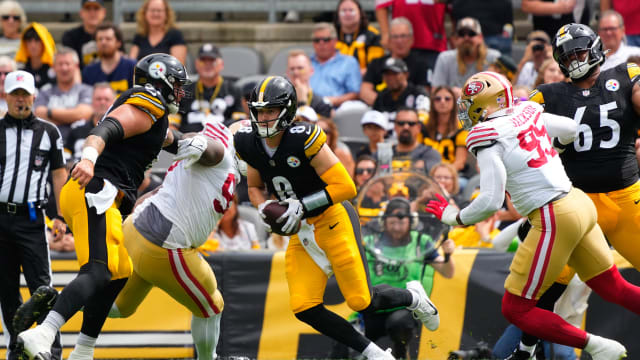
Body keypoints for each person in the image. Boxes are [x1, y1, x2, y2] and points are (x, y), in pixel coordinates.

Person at [426, 70, 640, 360]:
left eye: (471, 102)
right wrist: (554, 150)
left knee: (515, 309)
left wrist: (453, 215)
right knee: (613, 286)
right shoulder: (527, 111)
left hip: (553, 215)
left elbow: (490, 199)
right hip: (578, 200)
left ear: (487, 104)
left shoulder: (485, 135)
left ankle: (597, 346)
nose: (466, 110)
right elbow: (568, 128)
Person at [235, 75, 440, 360]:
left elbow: (346, 187)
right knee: (304, 305)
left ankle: (413, 297)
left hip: (332, 218)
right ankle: (375, 354)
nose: (264, 117)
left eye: (270, 110)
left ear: (287, 111)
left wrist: (302, 205)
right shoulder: (248, 142)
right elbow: (255, 187)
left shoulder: (303, 137)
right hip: (302, 231)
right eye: (259, 111)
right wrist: (261, 207)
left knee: (361, 300)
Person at [14, 53, 192, 360]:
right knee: (99, 271)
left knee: (120, 272)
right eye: (176, 84)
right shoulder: (149, 102)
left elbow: (178, 142)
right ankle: (42, 331)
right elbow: (107, 128)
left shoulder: (154, 120)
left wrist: (225, 142)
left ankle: (83, 351)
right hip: (96, 188)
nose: (180, 91)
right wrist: (88, 158)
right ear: (161, 82)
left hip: (97, 193)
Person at [106, 119, 240, 360]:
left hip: (136, 227)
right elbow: (207, 147)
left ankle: (59, 303)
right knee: (211, 307)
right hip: (164, 244)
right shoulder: (222, 154)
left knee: (118, 307)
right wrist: (178, 139)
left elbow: (153, 194)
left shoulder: (207, 164)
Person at [0, 70, 67, 360]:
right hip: (0, 220)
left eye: (25, 94)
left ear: (34, 96)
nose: (20, 100)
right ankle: (18, 350)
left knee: (43, 287)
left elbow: (59, 176)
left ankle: (50, 350)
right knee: (7, 290)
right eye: (15, 94)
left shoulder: (49, 132)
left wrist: (61, 216)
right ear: (5, 96)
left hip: (31, 219)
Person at [362, 197, 454, 359]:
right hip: (371, 307)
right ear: (384, 222)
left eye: (401, 223)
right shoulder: (369, 241)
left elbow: (447, 272)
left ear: (411, 222)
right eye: (392, 223)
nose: (397, 228)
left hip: (404, 308)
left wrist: (448, 254)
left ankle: (402, 356)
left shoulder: (420, 242)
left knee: (400, 324)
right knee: (345, 343)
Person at [173, 43, 245, 131]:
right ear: (196, 64)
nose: (207, 64)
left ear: (221, 64)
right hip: (188, 139)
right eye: (203, 60)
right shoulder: (184, 90)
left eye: (212, 60)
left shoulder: (234, 90)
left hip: (222, 140)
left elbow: (239, 124)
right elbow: (172, 124)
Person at [361, 17, 429, 106]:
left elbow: (424, 93)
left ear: (412, 39)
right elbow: (365, 91)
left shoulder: (421, 65)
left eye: (403, 36)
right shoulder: (376, 63)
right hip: (381, 111)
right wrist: (384, 105)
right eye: (395, 37)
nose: (399, 41)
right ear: (388, 40)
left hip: (410, 111)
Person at [34, 47, 93, 140]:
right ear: (53, 67)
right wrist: (71, 117)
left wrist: (49, 113)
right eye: (60, 64)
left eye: (67, 64)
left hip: (78, 143)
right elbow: (38, 114)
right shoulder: (45, 91)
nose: (64, 68)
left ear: (76, 66)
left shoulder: (86, 90)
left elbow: (83, 114)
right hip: (49, 141)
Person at [374, 0, 446, 75]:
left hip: (434, 43)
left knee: (434, 82)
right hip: (402, 44)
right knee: (400, 78)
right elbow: (381, 5)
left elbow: (455, 7)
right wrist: (385, 33)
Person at [431, 17, 501, 90]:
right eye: (462, 34)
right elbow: (436, 91)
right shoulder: (445, 58)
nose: (466, 38)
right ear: (456, 38)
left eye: (471, 34)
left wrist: (461, 93)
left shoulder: (493, 57)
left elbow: (501, 91)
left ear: (480, 37)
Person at [309, 22, 361, 109]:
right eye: (317, 40)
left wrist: (329, 101)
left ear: (335, 41)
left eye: (326, 40)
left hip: (337, 111)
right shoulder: (305, 63)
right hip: (307, 110)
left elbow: (355, 93)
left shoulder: (349, 62)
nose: (321, 43)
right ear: (313, 43)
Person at [64, 83, 116, 163]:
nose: (102, 102)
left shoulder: (120, 131)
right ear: (91, 101)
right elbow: (65, 156)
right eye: (98, 99)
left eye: (107, 99)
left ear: (114, 103)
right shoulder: (77, 128)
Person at [422, 86, 468, 173]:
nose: (442, 102)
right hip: (426, 174)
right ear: (432, 102)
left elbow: (460, 162)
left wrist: (442, 174)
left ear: (454, 102)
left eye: (447, 99)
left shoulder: (461, 127)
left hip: (452, 175)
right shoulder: (424, 125)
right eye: (437, 99)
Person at [81, 22, 136, 94]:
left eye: (108, 39)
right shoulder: (88, 71)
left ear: (118, 43)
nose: (103, 42)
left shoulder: (132, 67)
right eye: (100, 39)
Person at [129, 0, 187, 65]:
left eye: (159, 10)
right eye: (152, 10)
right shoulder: (139, 36)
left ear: (166, 14)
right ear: (144, 13)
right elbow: (132, 63)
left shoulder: (175, 35)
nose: (156, 13)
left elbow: (178, 66)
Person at [334, 0, 384, 74]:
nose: (347, 14)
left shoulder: (373, 35)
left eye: (351, 10)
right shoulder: (330, 36)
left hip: (365, 80)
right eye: (343, 11)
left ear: (360, 13)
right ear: (338, 15)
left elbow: (375, 66)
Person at [372, 57, 429, 121]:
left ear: (406, 74)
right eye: (387, 74)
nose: (390, 78)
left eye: (394, 73)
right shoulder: (381, 97)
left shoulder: (418, 93)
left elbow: (423, 120)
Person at [449, 0, 514, 56]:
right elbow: (508, 23)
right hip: (473, 40)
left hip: (474, 39)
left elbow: (456, 21)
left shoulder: (459, 3)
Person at [390, 107, 441, 174]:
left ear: (418, 128)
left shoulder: (430, 154)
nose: (406, 127)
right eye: (401, 123)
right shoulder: (383, 155)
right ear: (395, 127)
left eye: (411, 123)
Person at [286, 49, 333, 119]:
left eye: (300, 68)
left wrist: (302, 103)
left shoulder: (322, 104)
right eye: (292, 69)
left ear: (311, 71)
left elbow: (307, 129)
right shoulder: (282, 102)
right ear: (287, 73)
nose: (296, 72)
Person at [61, 0, 107, 68]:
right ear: (81, 13)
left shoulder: (112, 35)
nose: (92, 13)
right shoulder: (70, 36)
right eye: (88, 9)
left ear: (104, 12)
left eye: (96, 9)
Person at [15, 22, 55, 89]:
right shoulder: (19, 69)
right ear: (24, 44)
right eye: (29, 41)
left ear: (45, 43)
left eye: (37, 40)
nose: (33, 45)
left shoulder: (54, 69)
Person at [521, 0, 588, 40]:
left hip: (573, 34)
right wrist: (558, 7)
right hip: (544, 34)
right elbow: (526, 5)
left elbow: (569, 5)